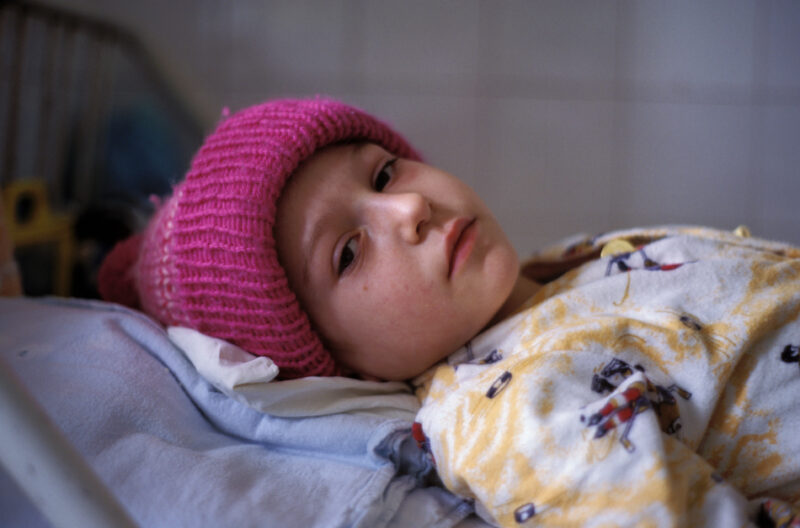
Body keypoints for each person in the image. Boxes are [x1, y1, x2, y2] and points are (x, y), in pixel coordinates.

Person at [99, 98, 800, 527]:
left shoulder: (551, 268)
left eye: (382, 173)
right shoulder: (510, 408)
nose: (408, 208)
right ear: (336, 361)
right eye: (348, 253)